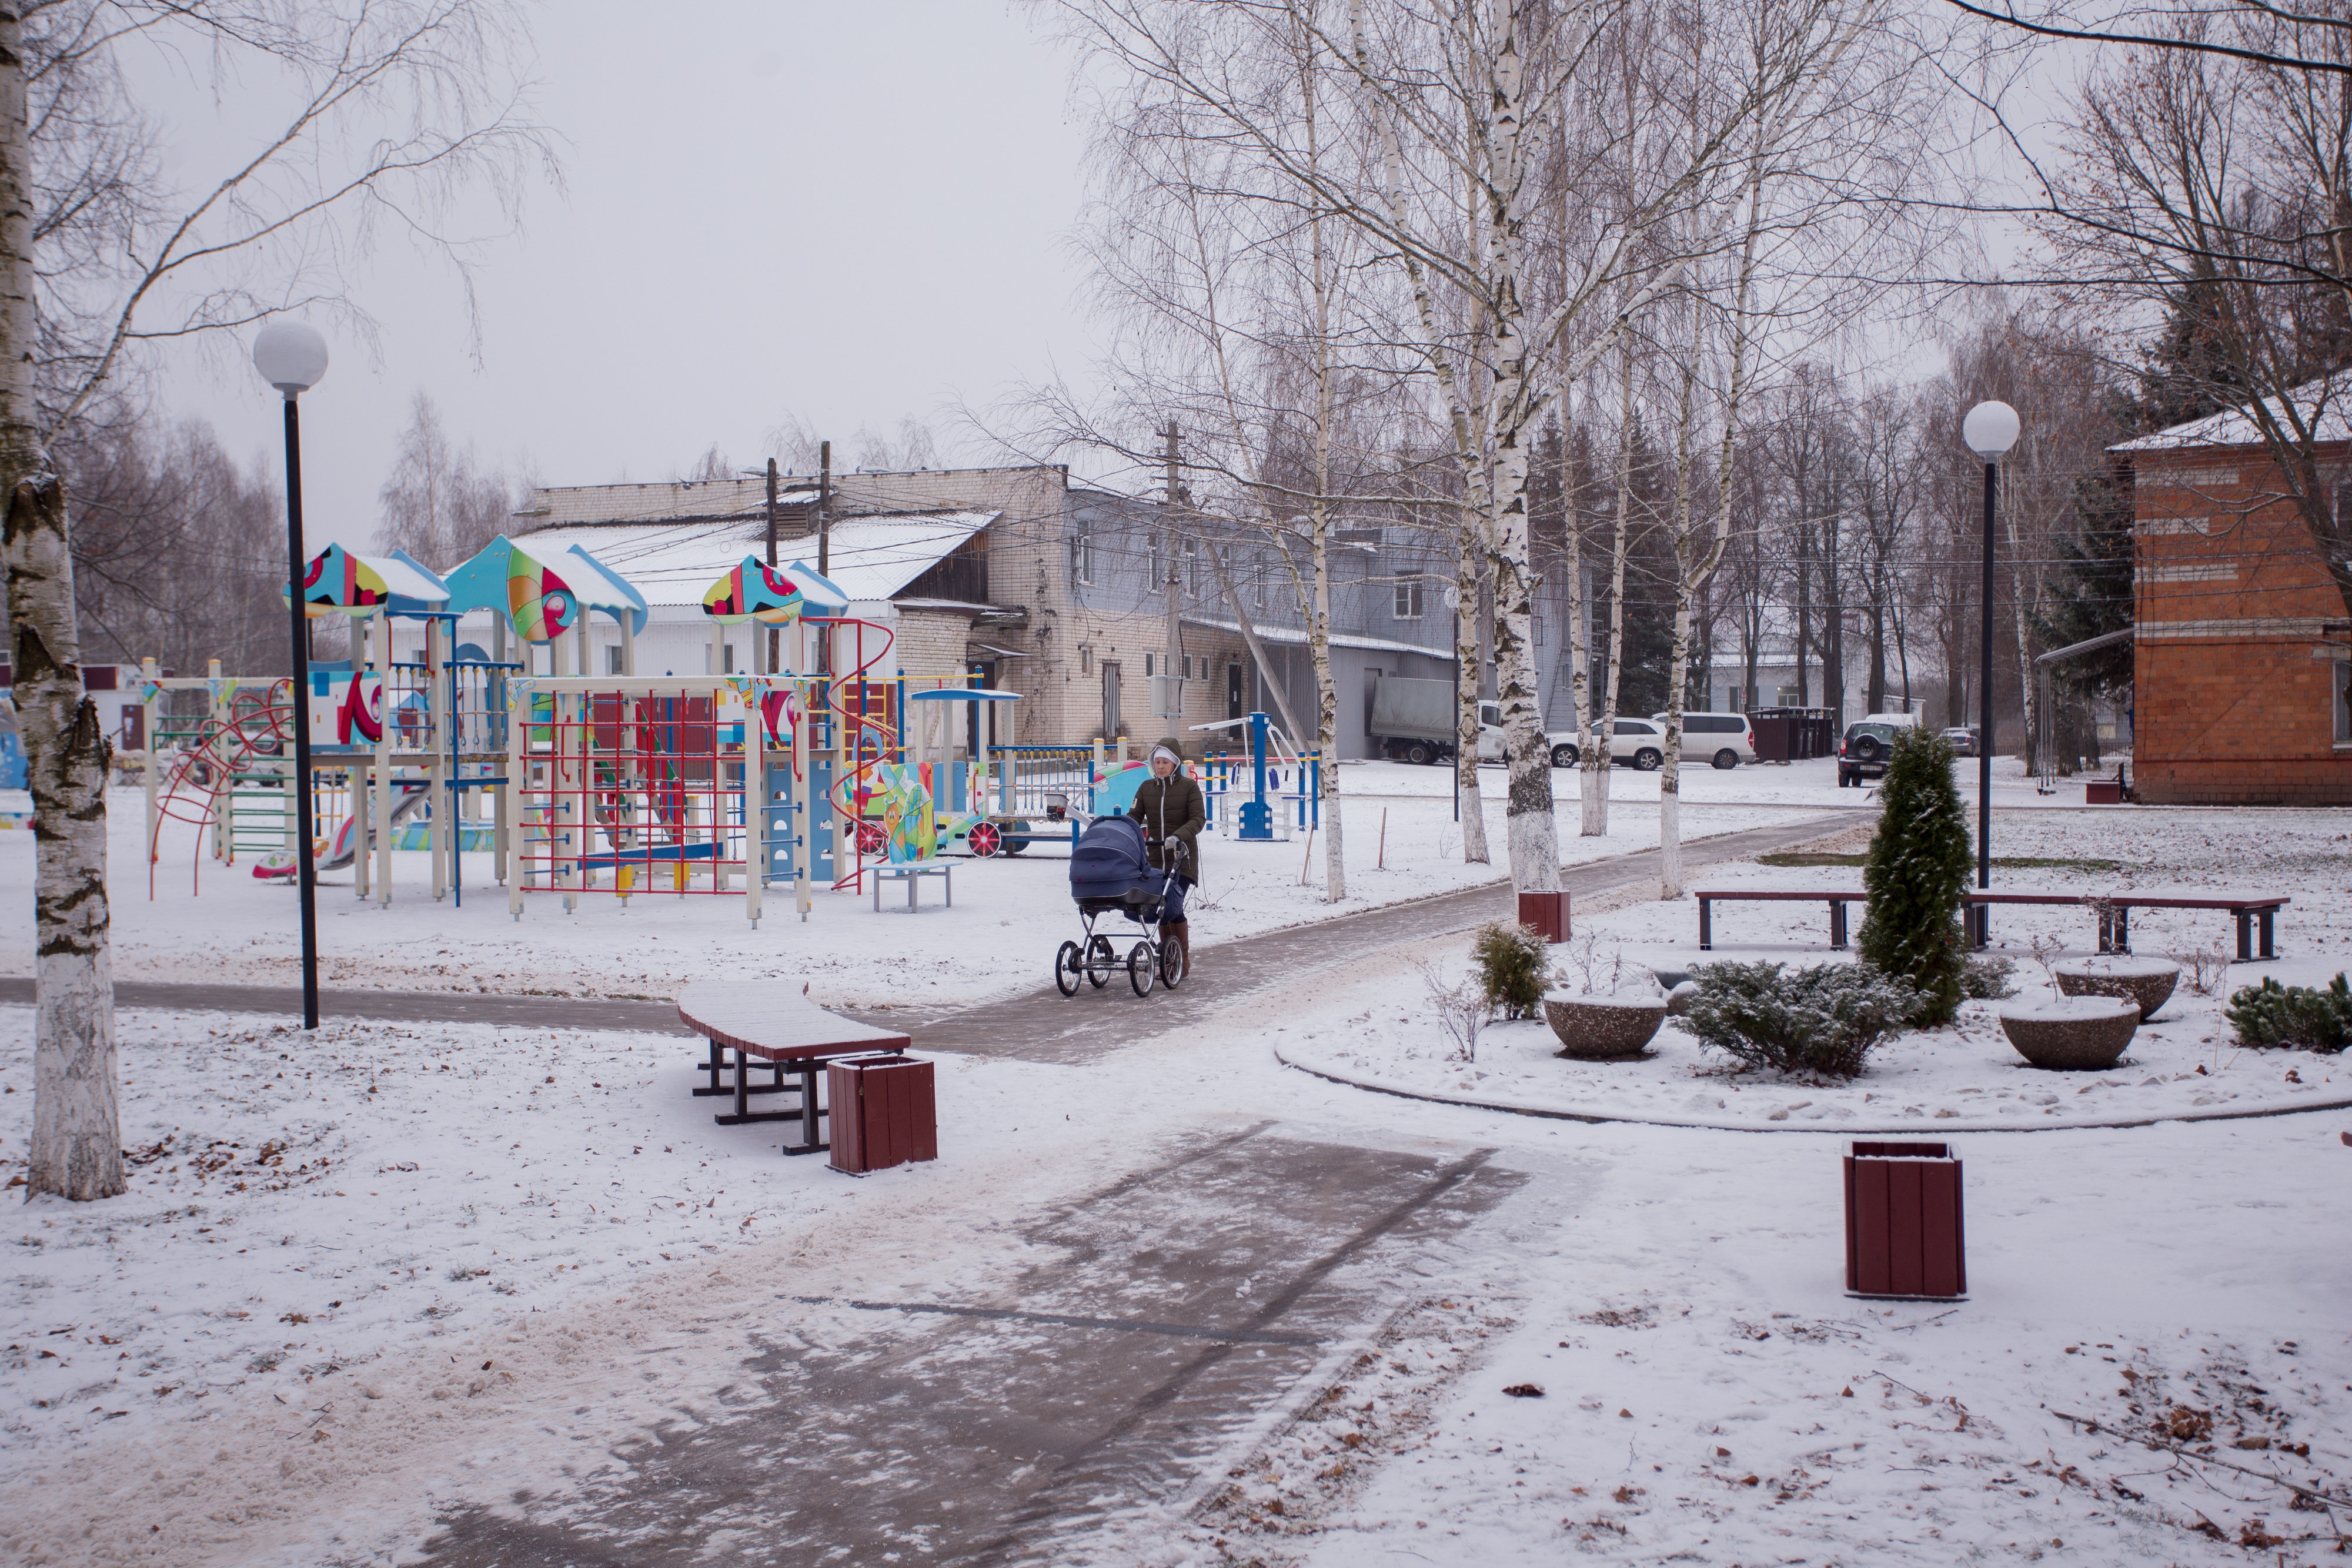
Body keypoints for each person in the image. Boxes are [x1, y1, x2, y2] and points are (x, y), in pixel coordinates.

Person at [1128, 742, 1202, 979]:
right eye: (1157, 763)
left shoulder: (1189, 788)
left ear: (1175, 764)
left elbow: (1198, 819)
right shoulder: (1146, 788)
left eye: (1165, 763)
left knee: (1171, 905)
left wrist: (1178, 836)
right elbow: (1134, 817)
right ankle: (1169, 961)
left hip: (1182, 860)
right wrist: (1122, 830)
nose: (1160, 767)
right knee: (1160, 907)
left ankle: (1181, 962)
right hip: (1155, 862)